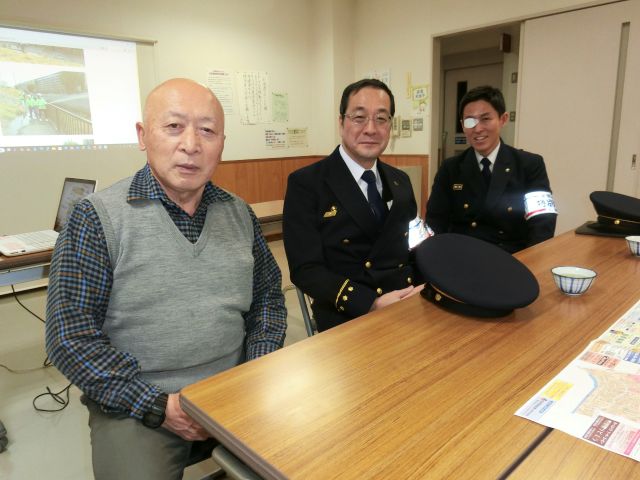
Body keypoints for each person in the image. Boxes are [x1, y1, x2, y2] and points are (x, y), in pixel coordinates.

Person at [45, 78, 287, 480]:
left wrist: (254, 370)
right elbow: (69, 338)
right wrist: (158, 405)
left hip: (235, 387)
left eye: (207, 130)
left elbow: (267, 300)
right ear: (143, 135)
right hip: (137, 402)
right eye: (174, 126)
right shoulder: (95, 218)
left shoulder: (239, 214)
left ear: (222, 144)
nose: (191, 144)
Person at [283, 79, 423, 332]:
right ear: (341, 122)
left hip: (406, 301)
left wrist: (428, 283)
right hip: (348, 313)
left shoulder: (400, 180)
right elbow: (306, 269)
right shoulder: (307, 183)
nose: (371, 129)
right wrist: (370, 303)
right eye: (359, 117)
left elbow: (415, 242)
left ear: (390, 125)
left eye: (381, 119)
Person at [425, 85, 556, 253]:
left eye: (486, 119)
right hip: (462, 255)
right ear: (462, 125)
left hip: (512, 257)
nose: (478, 128)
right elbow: (435, 221)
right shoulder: (450, 168)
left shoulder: (529, 164)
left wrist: (531, 260)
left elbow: (542, 222)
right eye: (470, 121)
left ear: (503, 119)